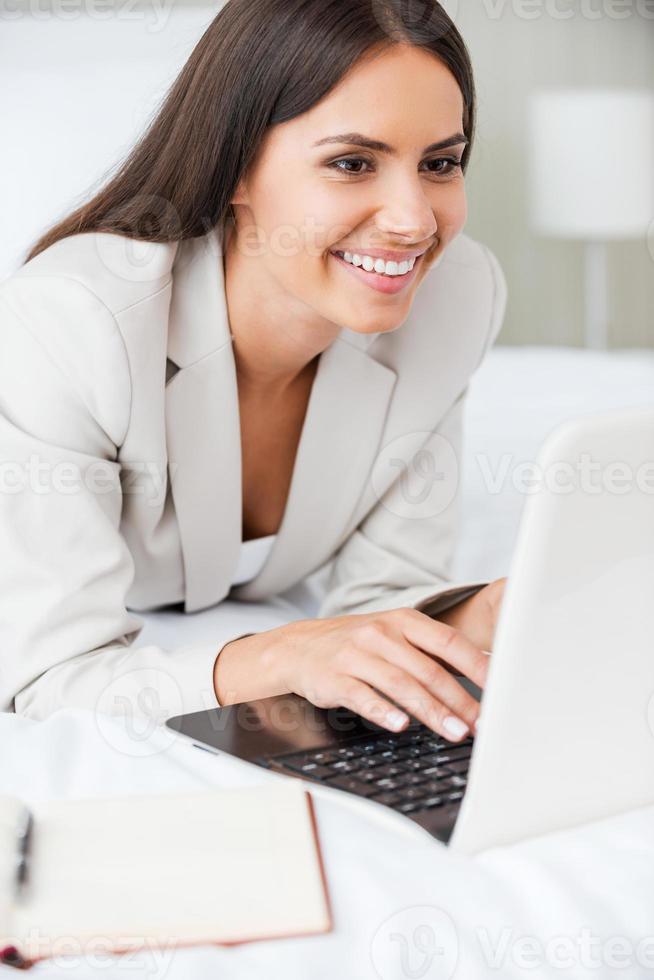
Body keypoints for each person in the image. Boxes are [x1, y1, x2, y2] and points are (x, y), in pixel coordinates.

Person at [0, 0, 507, 737]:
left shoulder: (456, 298)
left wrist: (480, 614)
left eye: (439, 164)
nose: (415, 221)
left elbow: (383, 595)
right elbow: (49, 675)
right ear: (232, 165)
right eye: (352, 163)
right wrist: (277, 658)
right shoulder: (74, 318)